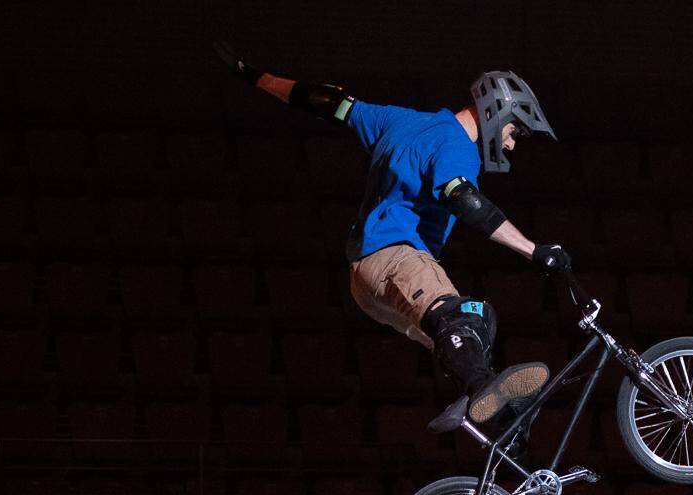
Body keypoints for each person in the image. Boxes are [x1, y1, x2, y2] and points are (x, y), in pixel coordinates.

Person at [216, 44, 573, 435]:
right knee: (463, 320)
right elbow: (465, 200)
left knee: (475, 324)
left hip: (366, 281)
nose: (510, 144)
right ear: (495, 111)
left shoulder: (400, 121)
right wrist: (534, 250)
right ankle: (481, 396)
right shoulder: (456, 147)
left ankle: (503, 432)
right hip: (395, 257)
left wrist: (256, 76)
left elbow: (325, 101)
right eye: (513, 131)